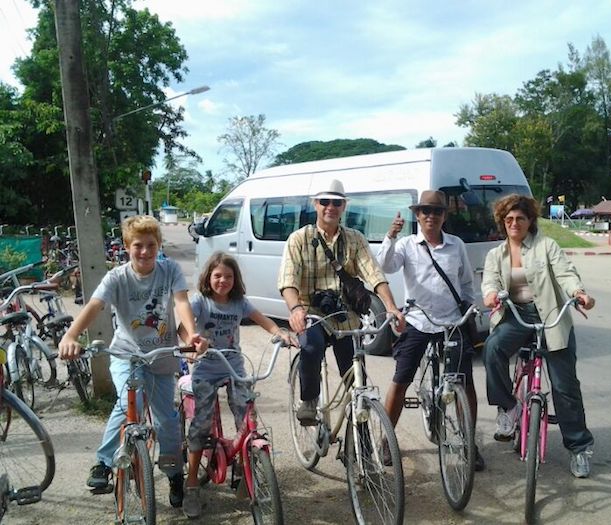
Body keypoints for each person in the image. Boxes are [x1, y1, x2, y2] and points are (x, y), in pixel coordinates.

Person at [58, 215, 206, 507]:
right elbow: (95, 305)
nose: (145, 251)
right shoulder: (117, 278)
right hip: (127, 354)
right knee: (130, 404)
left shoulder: (170, 270)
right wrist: (71, 335)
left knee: (166, 420)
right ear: (127, 246)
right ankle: (103, 462)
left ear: (159, 245)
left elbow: (181, 302)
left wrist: (191, 335)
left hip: (162, 356)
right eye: (138, 245)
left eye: (151, 245)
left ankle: (175, 474)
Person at [481, 194, 596, 478]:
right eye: (508, 219)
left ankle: (579, 449)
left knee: (564, 385)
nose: (514, 223)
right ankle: (509, 407)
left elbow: (565, 274)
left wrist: (578, 293)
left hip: (551, 317)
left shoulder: (547, 246)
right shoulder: (496, 254)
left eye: (520, 218)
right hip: (516, 317)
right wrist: (491, 295)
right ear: (502, 222)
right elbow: (490, 282)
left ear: (530, 220)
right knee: (492, 349)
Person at [278, 179, 405, 426]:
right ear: (315, 204)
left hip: (345, 314)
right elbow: (288, 280)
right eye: (324, 201)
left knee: (357, 379)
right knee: (311, 347)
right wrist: (295, 309)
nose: (330, 207)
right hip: (311, 312)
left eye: (336, 202)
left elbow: (374, 273)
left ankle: (361, 436)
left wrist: (391, 306)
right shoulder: (299, 239)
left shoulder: (355, 238)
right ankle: (309, 401)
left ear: (344, 206)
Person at [376, 190, 485, 471]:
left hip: (451, 322)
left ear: (444, 216)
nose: (430, 216)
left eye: (436, 211)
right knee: (401, 380)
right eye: (425, 211)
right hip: (418, 321)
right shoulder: (407, 245)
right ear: (417, 215)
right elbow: (384, 266)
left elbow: (466, 282)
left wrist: (469, 309)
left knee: (464, 383)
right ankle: (387, 440)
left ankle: (468, 443)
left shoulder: (456, 244)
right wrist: (390, 236)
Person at [181, 252, 293, 518]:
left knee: (246, 416)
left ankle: (247, 466)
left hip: (234, 368)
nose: (223, 281)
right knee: (201, 424)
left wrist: (279, 332)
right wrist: (189, 344)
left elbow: (262, 319)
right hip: (206, 369)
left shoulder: (238, 303)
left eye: (228, 276)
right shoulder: (201, 302)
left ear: (236, 280)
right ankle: (193, 483)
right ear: (208, 277)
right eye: (217, 275)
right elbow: (184, 329)